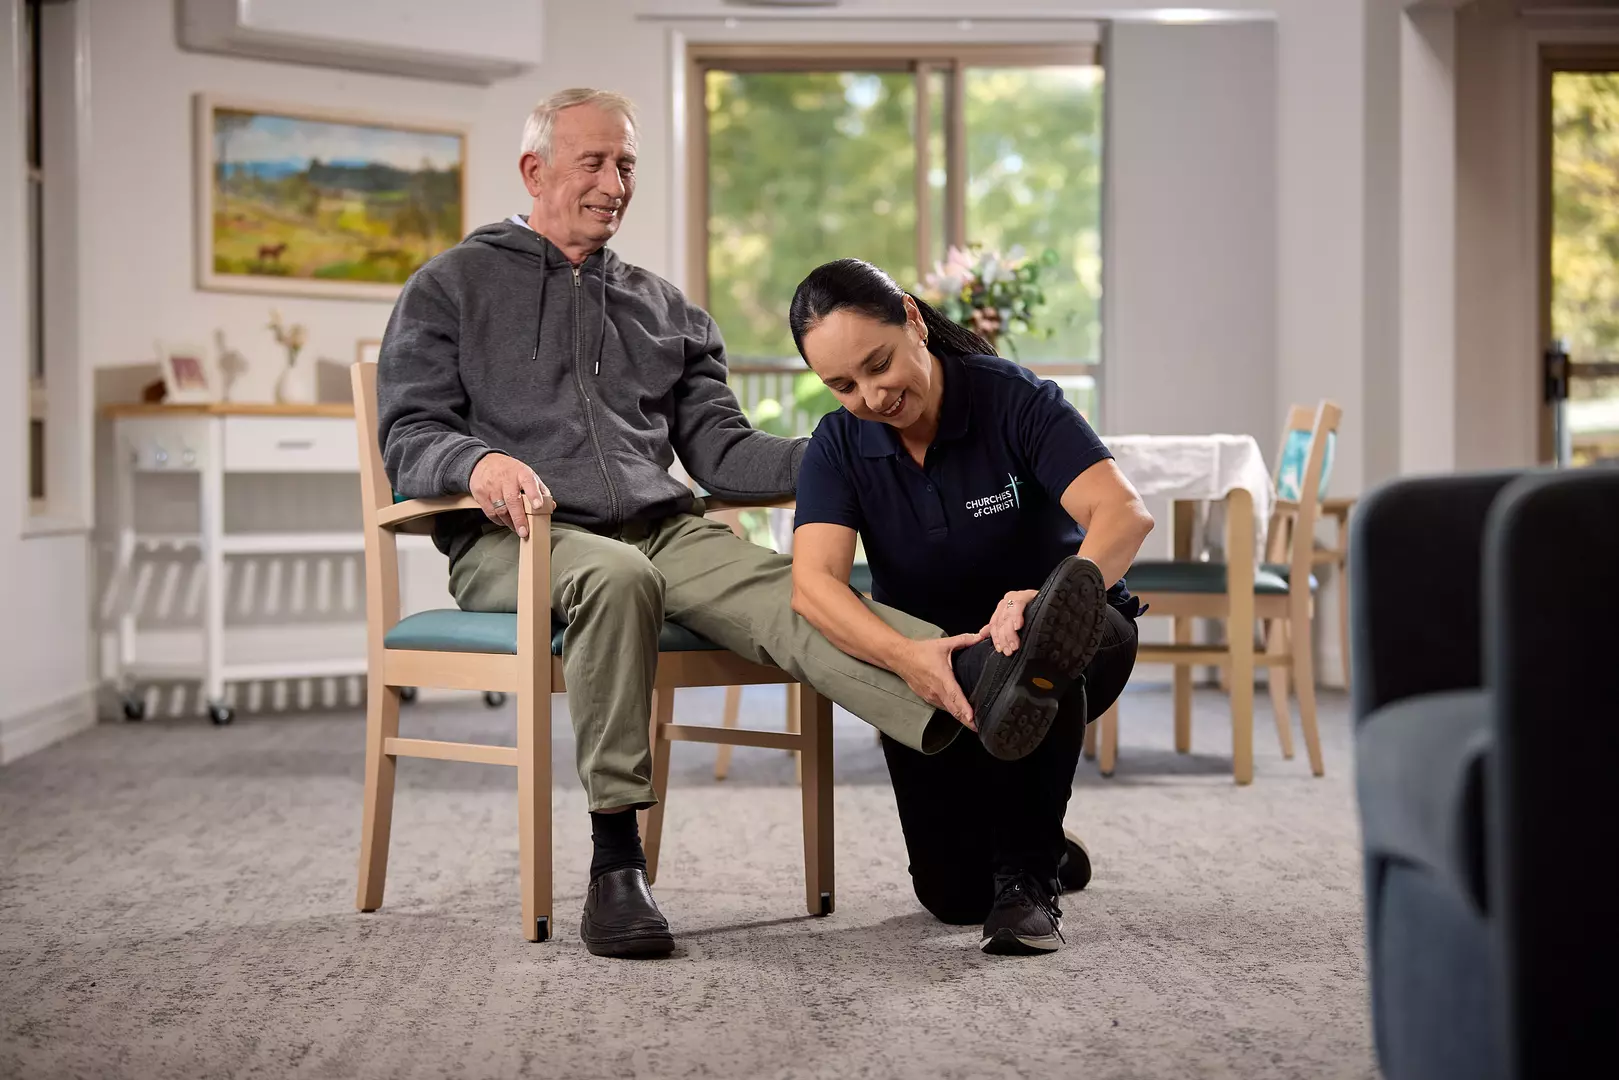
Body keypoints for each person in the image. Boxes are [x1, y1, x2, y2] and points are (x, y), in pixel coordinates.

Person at [376, 89, 1105, 959]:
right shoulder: (450, 287)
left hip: (658, 530)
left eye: (627, 165)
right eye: (593, 162)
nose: (614, 182)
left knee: (796, 591)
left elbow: (720, 454)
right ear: (534, 171)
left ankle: (985, 684)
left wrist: (851, 451)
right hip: (518, 543)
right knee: (617, 578)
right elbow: (410, 435)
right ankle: (617, 862)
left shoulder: (664, 309)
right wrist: (476, 465)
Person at [788, 258, 1155, 955]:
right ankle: (1039, 840)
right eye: (842, 384)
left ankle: (1029, 880)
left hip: (1073, 642)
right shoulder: (838, 445)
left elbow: (1122, 514)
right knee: (950, 896)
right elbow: (813, 586)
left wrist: (1049, 592)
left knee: (1033, 646)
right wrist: (906, 659)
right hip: (938, 670)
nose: (870, 395)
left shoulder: (1012, 399)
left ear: (914, 321)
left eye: (878, 364)